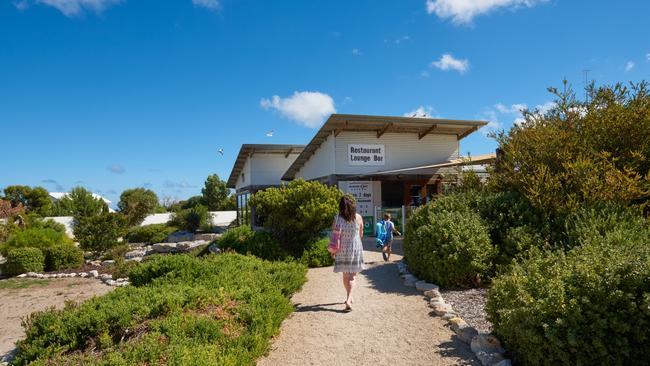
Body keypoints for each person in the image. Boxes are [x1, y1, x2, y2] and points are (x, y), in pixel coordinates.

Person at [332, 195, 365, 311]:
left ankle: (349, 298)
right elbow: (361, 235)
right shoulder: (359, 217)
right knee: (353, 275)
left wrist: (333, 250)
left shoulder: (337, 218)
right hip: (355, 247)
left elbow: (334, 235)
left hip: (341, 248)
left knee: (346, 275)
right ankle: (349, 298)